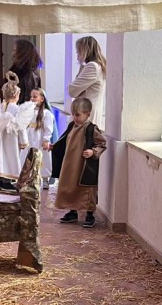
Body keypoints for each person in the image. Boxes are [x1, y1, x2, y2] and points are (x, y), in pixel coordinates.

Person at [52, 97, 106, 228]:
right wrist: (54, 146)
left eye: (78, 115)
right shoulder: (72, 126)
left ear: (87, 114)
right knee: (70, 187)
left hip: (83, 165)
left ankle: (89, 215)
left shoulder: (91, 129)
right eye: (73, 114)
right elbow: (64, 140)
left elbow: (101, 144)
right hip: (70, 164)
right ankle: (72, 211)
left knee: (86, 190)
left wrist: (93, 152)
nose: (75, 117)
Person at [0, 72, 27, 190]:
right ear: (16, 95)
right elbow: (21, 126)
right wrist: (23, 142)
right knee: (10, 157)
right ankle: (7, 181)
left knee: (0, 156)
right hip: (11, 138)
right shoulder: (17, 109)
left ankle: (0, 180)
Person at [19, 87, 55, 189]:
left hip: (39, 138)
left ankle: (44, 179)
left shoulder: (46, 114)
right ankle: (25, 177)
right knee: (26, 156)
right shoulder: (28, 111)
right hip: (29, 137)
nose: (32, 99)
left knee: (43, 157)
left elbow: (48, 128)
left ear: (42, 99)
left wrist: (46, 139)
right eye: (31, 97)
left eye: (35, 97)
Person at [68, 36, 107, 129]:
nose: (77, 55)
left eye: (78, 52)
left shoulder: (92, 67)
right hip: (87, 113)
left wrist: (80, 69)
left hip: (84, 115)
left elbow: (72, 91)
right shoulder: (98, 66)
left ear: (84, 51)